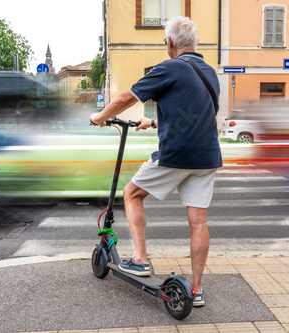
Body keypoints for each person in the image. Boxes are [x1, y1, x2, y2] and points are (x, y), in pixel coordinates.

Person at [90, 16, 221, 307]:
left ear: (170, 43)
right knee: (198, 220)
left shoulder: (169, 66)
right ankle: (197, 290)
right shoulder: (209, 72)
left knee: (131, 193)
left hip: (177, 153)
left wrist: (99, 117)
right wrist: (151, 123)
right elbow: (194, 110)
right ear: (195, 43)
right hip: (208, 155)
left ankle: (140, 260)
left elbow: (127, 97)